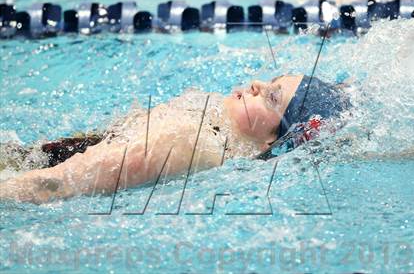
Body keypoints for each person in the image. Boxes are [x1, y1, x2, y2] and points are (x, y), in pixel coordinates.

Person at [0, 75, 350, 204]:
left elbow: (54, 184)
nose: (257, 84)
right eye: (272, 80)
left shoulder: (187, 139)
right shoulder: (211, 130)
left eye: (271, 98)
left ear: (270, 144)